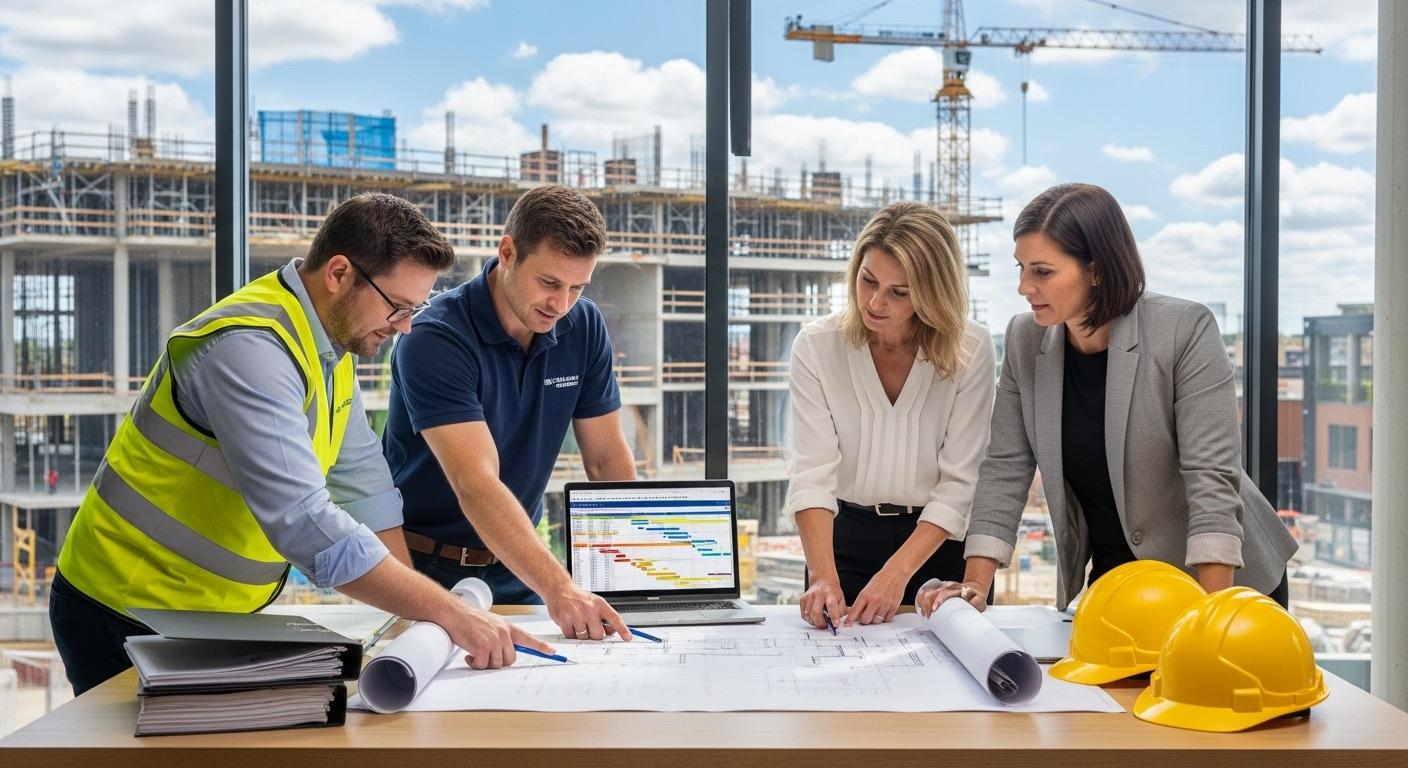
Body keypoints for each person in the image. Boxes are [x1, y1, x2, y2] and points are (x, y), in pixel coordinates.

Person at [51, 193, 554, 695]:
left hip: (202, 615)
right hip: (122, 607)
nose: (404, 326)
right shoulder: (248, 348)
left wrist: (418, 618)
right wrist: (449, 613)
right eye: (398, 307)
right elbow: (306, 524)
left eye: (415, 309)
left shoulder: (331, 348)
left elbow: (367, 488)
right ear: (339, 274)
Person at [918, 183, 1297, 617]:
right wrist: (974, 587)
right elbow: (1005, 467)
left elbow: (1210, 478)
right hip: (1120, 584)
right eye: (1020, 268)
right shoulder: (1026, 340)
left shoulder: (1183, 329)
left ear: (1096, 268)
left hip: (1221, 583)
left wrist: (1213, 618)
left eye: (1042, 271)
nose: (1024, 286)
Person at [381, 184, 638, 643]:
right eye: (550, 283)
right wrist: (561, 587)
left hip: (522, 569)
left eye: (577, 288)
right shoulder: (434, 337)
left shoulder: (583, 326)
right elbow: (475, 483)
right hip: (426, 572)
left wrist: (639, 580)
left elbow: (606, 461)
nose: (561, 306)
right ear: (508, 252)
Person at [786, 201, 995, 630]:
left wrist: (897, 574)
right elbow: (813, 473)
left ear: (933, 293)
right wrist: (823, 576)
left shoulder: (971, 348)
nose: (875, 301)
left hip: (940, 549)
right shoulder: (816, 345)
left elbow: (959, 483)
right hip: (841, 544)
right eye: (868, 280)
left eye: (899, 292)